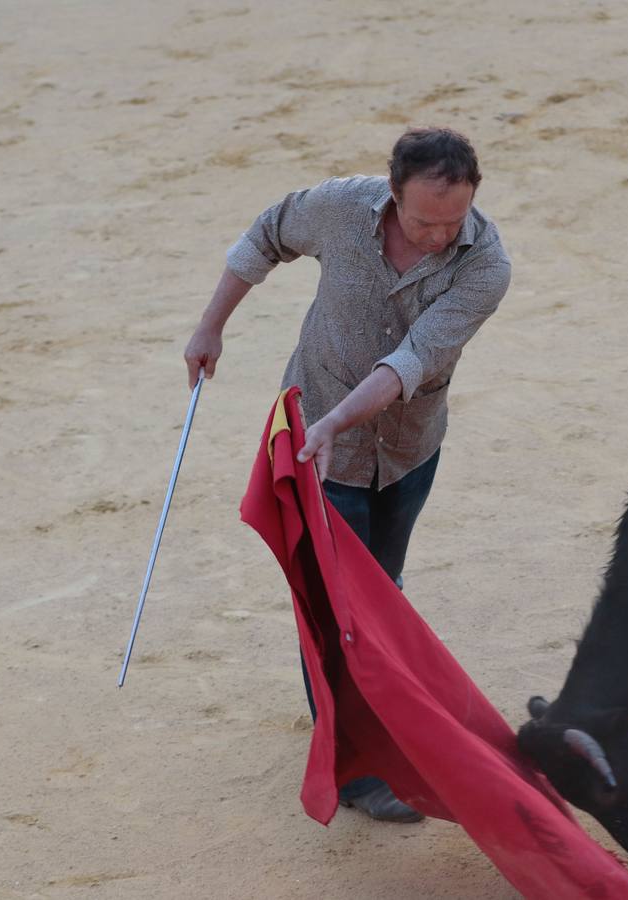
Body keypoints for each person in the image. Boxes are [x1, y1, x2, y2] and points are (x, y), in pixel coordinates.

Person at [183, 127, 511, 823]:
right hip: (315, 453)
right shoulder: (339, 208)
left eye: (452, 222)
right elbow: (266, 236)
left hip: (407, 450)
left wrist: (337, 423)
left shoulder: (485, 263)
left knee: (379, 595)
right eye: (423, 221)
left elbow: (412, 362)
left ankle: (363, 724)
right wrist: (211, 327)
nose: (436, 237)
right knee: (337, 608)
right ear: (392, 196)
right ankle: (357, 769)